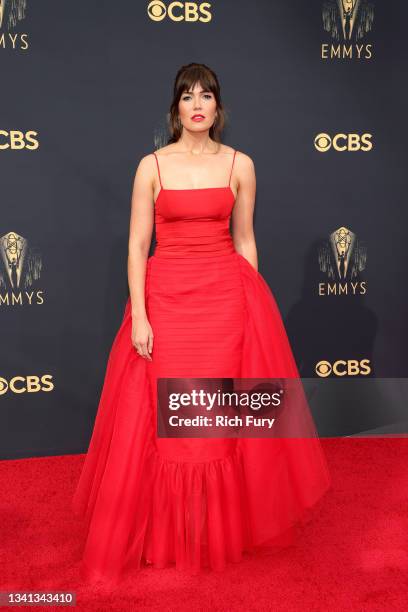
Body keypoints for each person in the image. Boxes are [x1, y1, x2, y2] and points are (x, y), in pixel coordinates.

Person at [72, 62, 331, 586]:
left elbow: (245, 240)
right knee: (170, 424)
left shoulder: (241, 164)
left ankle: (217, 534)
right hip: (166, 302)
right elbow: (137, 246)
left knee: (218, 421)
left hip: (225, 301)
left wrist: (253, 305)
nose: (197, 103)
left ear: (218, 106)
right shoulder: (152, 167)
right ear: (175, 108)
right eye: (188, 95)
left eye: (206, 95)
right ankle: (166, 536)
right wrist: (140, 314)